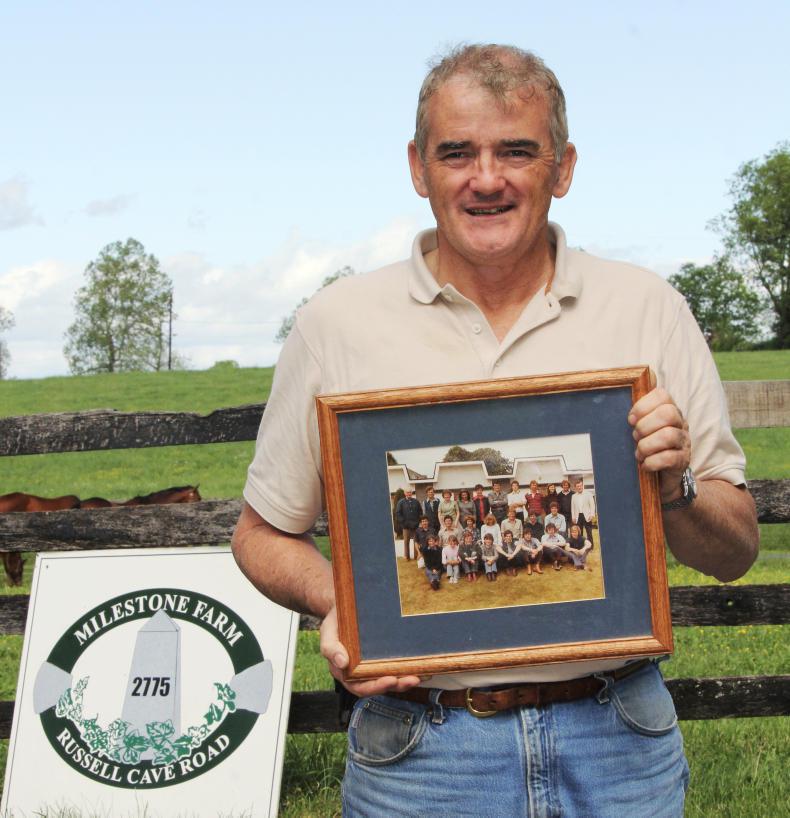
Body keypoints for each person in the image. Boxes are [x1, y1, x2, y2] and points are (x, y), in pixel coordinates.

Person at [232, 43, 758, 817]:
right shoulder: (335, 323)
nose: (486, 179)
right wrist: (340, 598)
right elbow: (260, 534)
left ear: (562, 168)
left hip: (617, 739)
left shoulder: (648, 309)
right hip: (420, 749)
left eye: (516, 151)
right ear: (418, 168)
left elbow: (736, 552)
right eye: (457, 153)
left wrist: (676, 487)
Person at [394, 487, 422, 560]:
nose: (409, 494)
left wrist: (418, 522)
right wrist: (404, 522)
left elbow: (420, 512)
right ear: (405, 493)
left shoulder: (416, 501)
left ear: (412, 493)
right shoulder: (401, 502)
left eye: (410, 492)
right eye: (407, 492)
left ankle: (416, 556)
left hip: (415, 526)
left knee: (416, 541)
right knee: (406, 541)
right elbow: (398, 513)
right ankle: (407, 556)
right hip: (405, 526)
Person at [572, 479, 596, 543]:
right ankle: (581, 545)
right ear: (575, 487)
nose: (579, 487)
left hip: (587, 516)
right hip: (578, 516)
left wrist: (592, 515)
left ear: (582, 486)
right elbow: (573, 508)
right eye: (577, 486)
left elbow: (592, 505)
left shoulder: (589, 494)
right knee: (579, 532)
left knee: (589, 532)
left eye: (580, 486)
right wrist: (573, 517)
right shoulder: (573, 496)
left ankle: (590, 546)